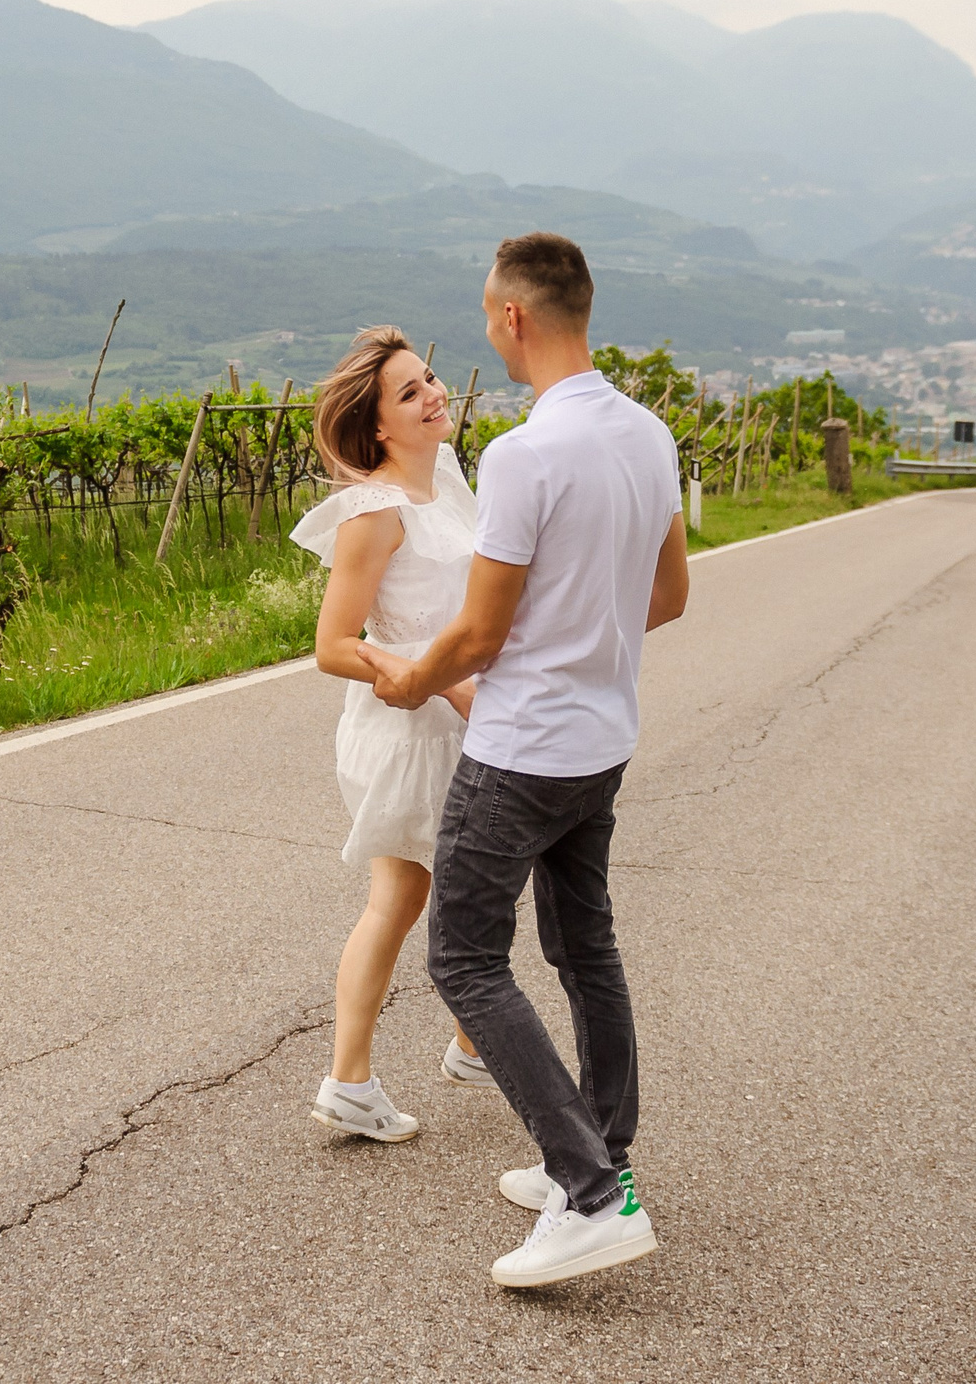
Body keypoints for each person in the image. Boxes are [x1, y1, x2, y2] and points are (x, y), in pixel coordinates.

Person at [361, 232, 690, 1288]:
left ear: (511, 317)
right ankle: (606, 1162)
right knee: (583, 950)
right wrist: (584, 632)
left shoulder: (523, 455)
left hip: (518, 752)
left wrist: (411, 680)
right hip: (602, 742)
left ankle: (587, 1195)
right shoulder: (646, 434)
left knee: (462, 957)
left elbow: (480, 635)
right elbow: (669, 595)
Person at [288, 327, 497, 1144]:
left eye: (431, 379)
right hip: (414, 730)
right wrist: (445, 681)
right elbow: (332, 646)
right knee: (408, 896)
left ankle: (466, 1044)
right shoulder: (372, 513)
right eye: (409, 394)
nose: (434, 395)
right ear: (377, 427)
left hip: (462, 718)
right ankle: (357, 1078)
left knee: (455, 889)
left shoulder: (443, 477)